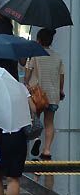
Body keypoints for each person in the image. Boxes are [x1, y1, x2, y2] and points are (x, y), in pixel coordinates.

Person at [24, 29, 65, 162]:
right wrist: (61, 90)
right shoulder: (57, 56)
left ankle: (36, 138)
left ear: (39, 40)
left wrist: (26, 84)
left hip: (37, 94)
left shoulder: (34, 55)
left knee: (35, 119)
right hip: (53, 95)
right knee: (49, 122)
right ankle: (47, 150)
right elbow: (61, 76)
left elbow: (28, 74)